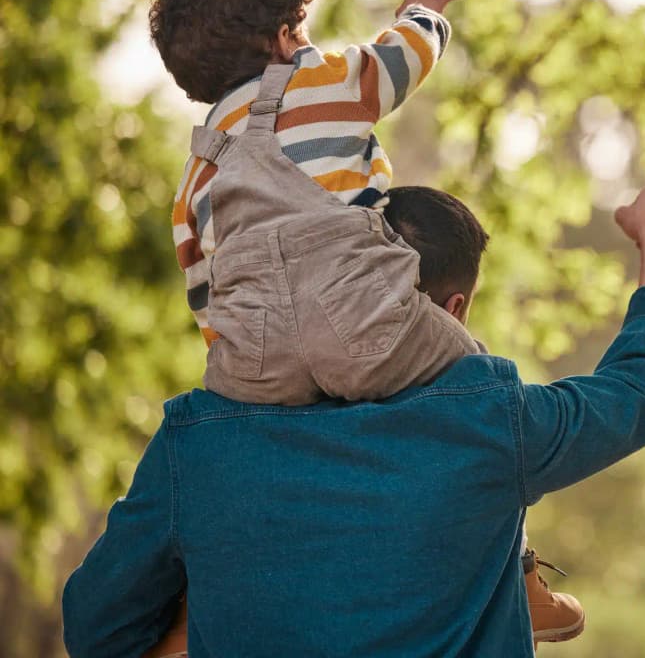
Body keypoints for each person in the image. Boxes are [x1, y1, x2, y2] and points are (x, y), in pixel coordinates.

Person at [63, 173, 645, 657]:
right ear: (452, 311)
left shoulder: (199, 444)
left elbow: (97, 628)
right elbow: (638, 394)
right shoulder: (487, 422)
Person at [141, 187, 587, 656]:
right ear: (453, 307)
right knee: (488, 402)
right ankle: (521, 571)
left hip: (249, 345)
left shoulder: (207, 180)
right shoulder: (345, 147)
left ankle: (195, 597)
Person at [154, 0, 477, 405]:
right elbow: (403, 59)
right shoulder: (326, 83)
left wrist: (241, 360)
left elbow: (202, 288)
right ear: (285, 39)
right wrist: (423, 13)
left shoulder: (195, 173)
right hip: (361, 317)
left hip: (260, 365)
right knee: (473, 370)